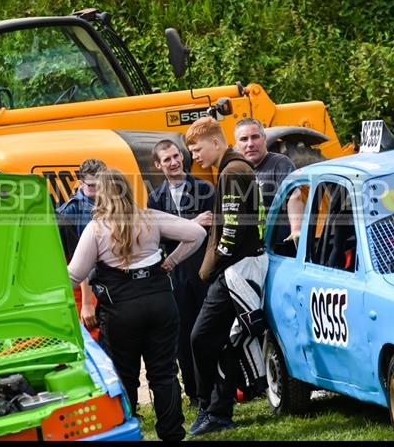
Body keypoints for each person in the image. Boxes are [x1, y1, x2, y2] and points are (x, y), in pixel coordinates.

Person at [67, 168, 206, 442]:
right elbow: (196, 232)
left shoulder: (97, 228)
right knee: (164, 373)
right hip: (160, 302)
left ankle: (128, 432)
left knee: (125, 375)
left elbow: (75, 275)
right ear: (128, 190)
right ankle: (172, 434)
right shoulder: (149, 217)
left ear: (102, 195)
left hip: (121, 309)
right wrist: (172, 261)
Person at [185, 116, 268, 436]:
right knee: (226, 342)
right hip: (241, 266)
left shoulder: (232, 171)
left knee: (201, 338)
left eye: (197, 148)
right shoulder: (233, 169)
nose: (195, 156)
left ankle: (210, 406)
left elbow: (230, 232)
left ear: (217, 142)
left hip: (235, 270)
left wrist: (208, 269)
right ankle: (217, 410)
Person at [147, 139, 214, 407]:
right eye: (167, 159)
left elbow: (210, 226)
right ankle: (195, 393)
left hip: (204, 269)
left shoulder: (205, 189)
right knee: (183, 334)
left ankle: (220, 388)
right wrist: (191, 223)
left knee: (209, 330)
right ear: (158, 165)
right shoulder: (155, 198)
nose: (174, 162)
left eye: (177, 156)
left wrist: (182, 227)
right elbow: (158, 237)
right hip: (176, 274)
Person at [56, 159, 106, 339]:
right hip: (90, 286)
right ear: (80, 181)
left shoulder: (113, 204)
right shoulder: (69, 213)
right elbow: (77, 261)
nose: (98, 189)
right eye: (92, 185)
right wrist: (87, 303)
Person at [234, 118, 296, 213]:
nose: (250, 144)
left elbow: (294, 198)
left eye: (255, 137)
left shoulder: (280, 164)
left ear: (264, 138)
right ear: (237, 145)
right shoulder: (237, 173)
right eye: (244, 139)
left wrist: (295, 228)